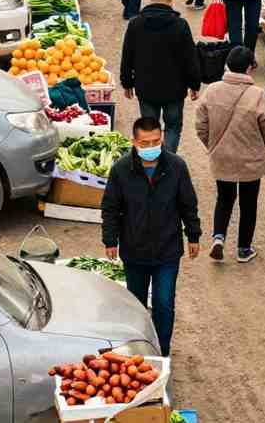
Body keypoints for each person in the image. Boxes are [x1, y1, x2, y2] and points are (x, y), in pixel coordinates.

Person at [101, 115, 201, 357]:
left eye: (155, 142)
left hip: (167, 251)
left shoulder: (176, 167)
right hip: (134, 250)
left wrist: (193, 234)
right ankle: (138, 352)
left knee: (164, 304)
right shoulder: (121, 170)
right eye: (144, 143)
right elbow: (111, 207)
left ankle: (161, 354)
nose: (150, 148)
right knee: (136, 306)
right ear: (134, 142)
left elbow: (188, 203)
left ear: (162, 139)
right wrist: (110, 239)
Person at [196, 45, 265, 263]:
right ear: (250, 68)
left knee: (224, 198)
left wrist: (212, 145)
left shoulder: (212, 90)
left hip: (221, 156)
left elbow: (200, 124)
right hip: (250, 159)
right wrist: (261, 145)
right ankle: (243, 249)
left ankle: (218, 238)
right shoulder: (257, 95)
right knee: (249, 204)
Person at [121, 0, 201, 153]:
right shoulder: (180, 25)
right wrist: (194, 84)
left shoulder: (136, 24)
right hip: (174, 89)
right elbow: (190, 57)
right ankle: (168, 161)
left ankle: (152, 160)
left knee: (149, 128)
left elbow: (127, 55)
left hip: (146, 87)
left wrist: (127, 82)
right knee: (173, 127)